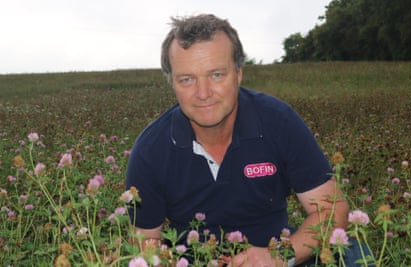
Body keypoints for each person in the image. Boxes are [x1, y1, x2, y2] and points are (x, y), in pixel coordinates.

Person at [126, 14, 369, 266]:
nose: (203, 93)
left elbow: (331, 210)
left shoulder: (278, 121)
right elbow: (144, 244)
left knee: (355, 254)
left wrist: (278, 258)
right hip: (194, 260)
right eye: (187, 79)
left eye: (217, 75)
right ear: (172, 84)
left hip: (279, 256)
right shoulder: (151, 150)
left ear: (239, 74)